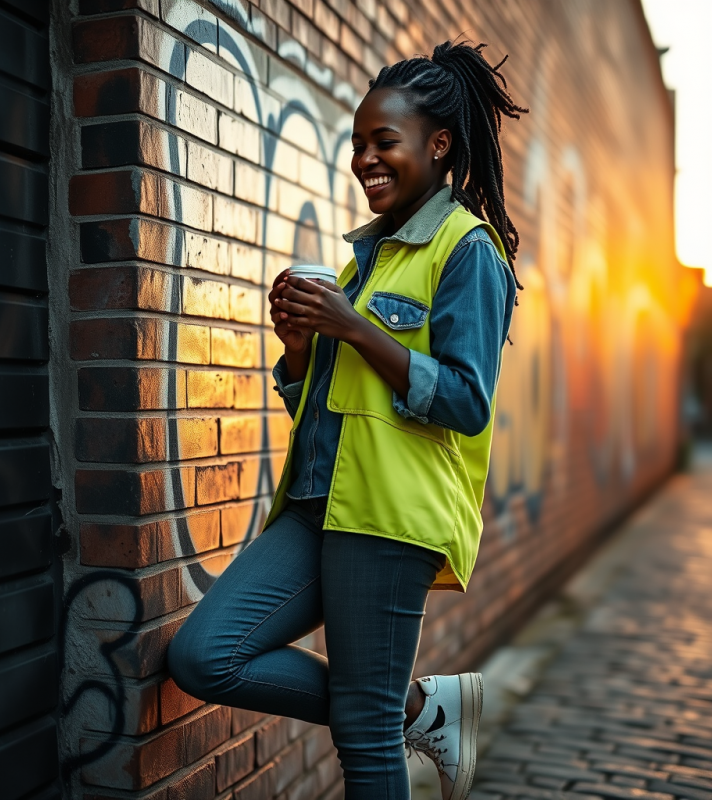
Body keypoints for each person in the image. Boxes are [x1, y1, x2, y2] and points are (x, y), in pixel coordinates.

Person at [168, 39, 526, 800]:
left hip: (386, 521)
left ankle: (395, 711)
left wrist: (356, 328)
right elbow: (328, 408)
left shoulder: (469, 253)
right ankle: (422, 707)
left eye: (382, 142)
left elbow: (465, 401)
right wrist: (299, 349)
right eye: (358, 144)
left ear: (438, 144)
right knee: (205, 656)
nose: (365, 158)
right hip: (314, 507)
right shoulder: (369, 258)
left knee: (364, 740)